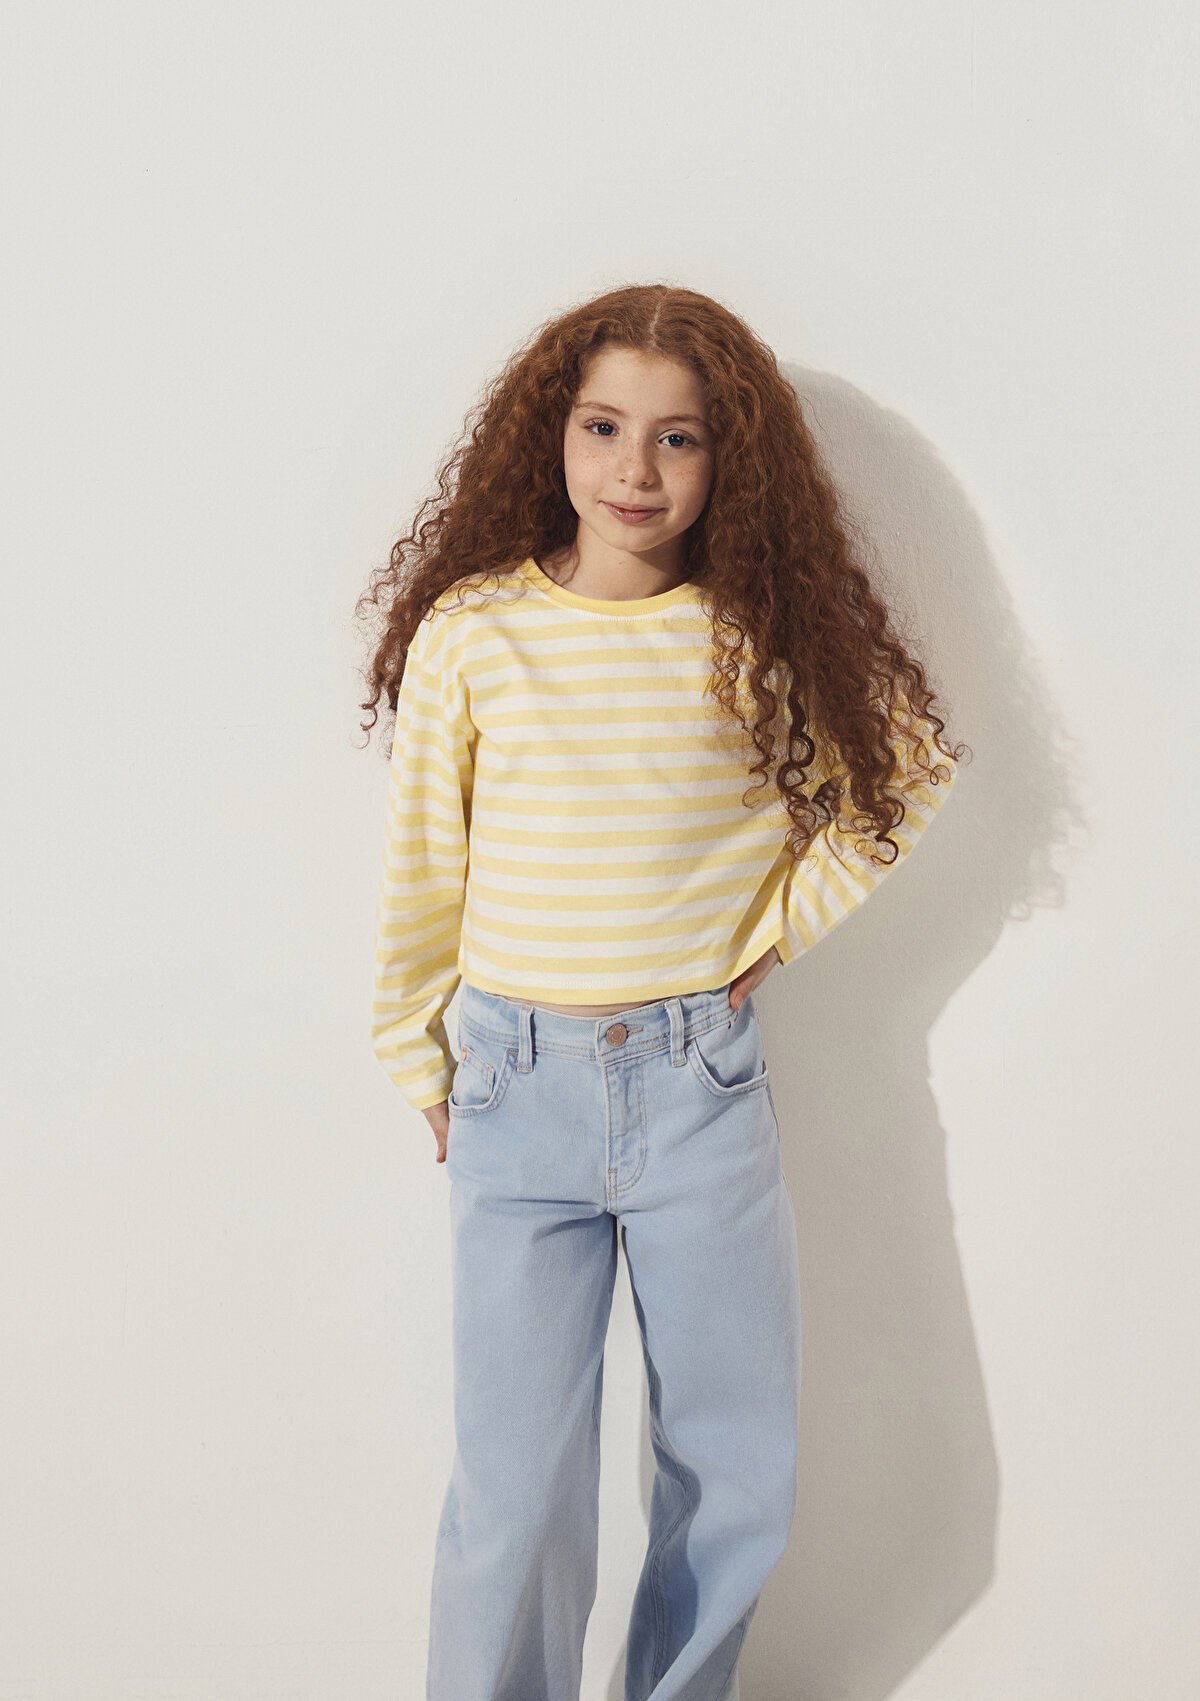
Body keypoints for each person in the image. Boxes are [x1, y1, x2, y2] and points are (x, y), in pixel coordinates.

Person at [355, 283, 966, 1700]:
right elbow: (424, 867)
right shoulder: (477, 633)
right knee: (516, 1483)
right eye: (604, 427)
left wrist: (775, 937)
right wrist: (420, 1060)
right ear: (552, 437)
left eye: (678, 438)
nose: (636, 469)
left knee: (734, 1462)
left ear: (725, 460)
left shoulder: (753, 635)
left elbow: (910, 765)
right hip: (514, 1092)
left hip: (701, 1089)